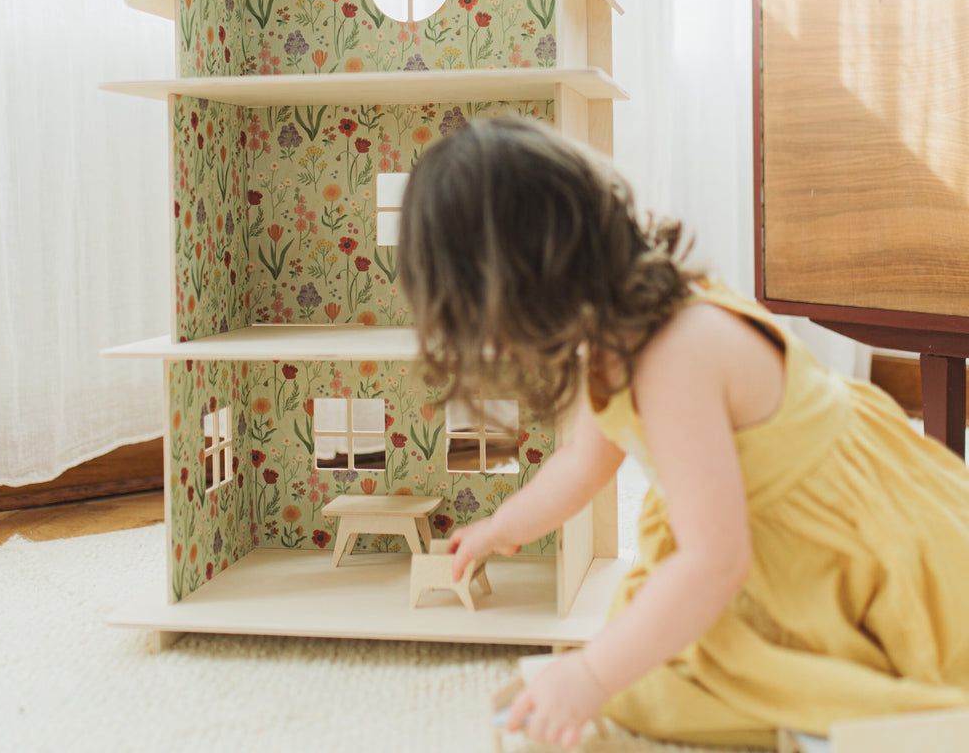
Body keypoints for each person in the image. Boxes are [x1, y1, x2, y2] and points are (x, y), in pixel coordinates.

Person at [396, 116, 969, 750]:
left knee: (636, 677)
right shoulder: (608, 340)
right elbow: (583, 465)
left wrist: (587, 675)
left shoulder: (674, 355)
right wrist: (504, 526)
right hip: (751, 539)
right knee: (646, 680)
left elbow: (714, 561)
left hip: (849, 550)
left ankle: (835, 719)